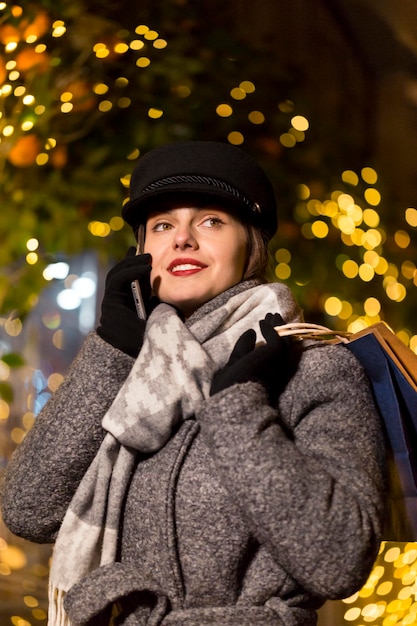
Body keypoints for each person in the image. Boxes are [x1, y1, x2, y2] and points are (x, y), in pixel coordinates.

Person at [1, 141, 386, 626]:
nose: (182, 239)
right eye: (163, 225)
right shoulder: (128, 370)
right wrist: (113, 347)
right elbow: (28, 511)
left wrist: (238, 408)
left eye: (211, 221)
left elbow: (339, 561)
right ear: (140, 253)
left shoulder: (316, 368)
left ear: (251, 244)